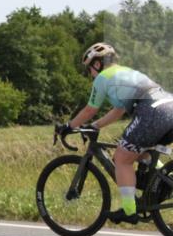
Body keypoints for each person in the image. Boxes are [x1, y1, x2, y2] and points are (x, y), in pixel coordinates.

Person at [62, 43, 173, 223]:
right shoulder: (127, 72)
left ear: (97, 64)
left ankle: (129, 211)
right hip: (169, 107)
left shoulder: (103, 78)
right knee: (139, 152)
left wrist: (68, 125)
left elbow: (90, 109)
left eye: (89, 69)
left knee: (121, 158)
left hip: (151, 112)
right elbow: (118, 110)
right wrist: (95, 126)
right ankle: (165, 183)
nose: (90, 74)